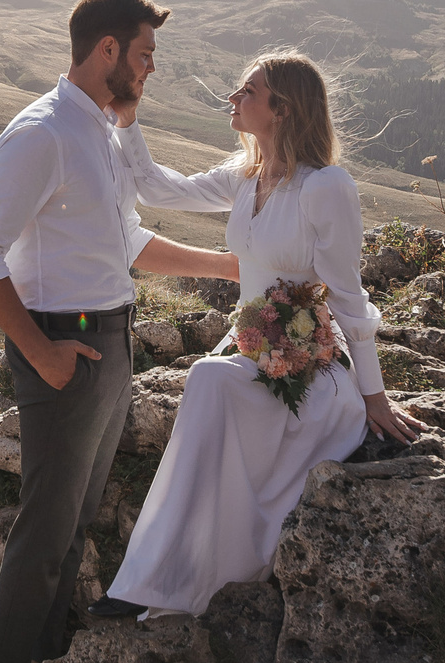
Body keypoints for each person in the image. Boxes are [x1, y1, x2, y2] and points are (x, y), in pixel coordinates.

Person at [0, 0, 241, 663]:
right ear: (106, 50)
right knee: (45, 531)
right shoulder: (42, 134)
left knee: (74, 523)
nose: (151, 69)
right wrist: (39, 351)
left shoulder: (104, 133)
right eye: (145, 54)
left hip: (110, 339)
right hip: (65, 345)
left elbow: (128, 240)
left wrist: (230, 264)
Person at [90, 51, 424, 621]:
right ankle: (155, 578)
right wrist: (128, 118)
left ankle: (155, 579)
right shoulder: (246, 177)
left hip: (312, 368)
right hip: (252, 354)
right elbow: (156, 188)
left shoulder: (326, 187)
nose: (233, 99)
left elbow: (347, 297)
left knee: (206, 379)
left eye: (247, 91)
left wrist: (375, 397)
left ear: (283, 109)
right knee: (211, 385)